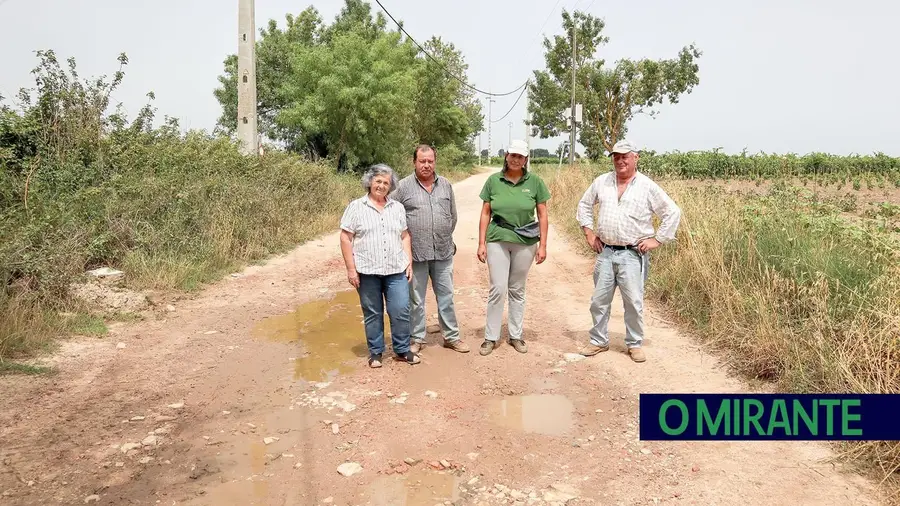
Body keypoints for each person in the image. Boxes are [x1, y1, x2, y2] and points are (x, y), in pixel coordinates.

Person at [575, 139, 682, 363]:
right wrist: (588, 232)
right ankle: (598, 340)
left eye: (625, 156)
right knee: (599, 300)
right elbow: (585, 205)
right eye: (616, 156)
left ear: (636, 158)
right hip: (605, 252)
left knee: (633, 301)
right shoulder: (602, 182)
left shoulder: (647, 186)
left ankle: (634, 343)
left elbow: (672, 212)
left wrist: (658, 240)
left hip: (632, 254)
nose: (620, 160)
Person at [339, 163, 420, 368]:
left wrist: (408, 261)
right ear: (369, 182)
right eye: (378, 181)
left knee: (401, 309)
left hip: (395, 269)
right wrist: (351, 269)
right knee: (373, 312)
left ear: (391, 186)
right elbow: (345, 238)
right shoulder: (356, 207)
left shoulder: (397, 207)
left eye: (386, 182)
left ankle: (402, 350)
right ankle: (376, 352)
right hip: (367, 271)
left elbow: (404, 236)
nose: (382, 186)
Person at [392, 144, 469, 354]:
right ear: (414, 162)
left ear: (435, 162)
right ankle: (417, 338)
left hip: (443, 251)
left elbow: (452, 217)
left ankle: (451, 337)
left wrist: (442, 233)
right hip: (415, 254)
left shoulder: (445, 185)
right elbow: (392, 216)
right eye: (422, 161)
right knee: (416, 299)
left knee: (446, 296)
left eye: (430, 161)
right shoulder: (403, 187)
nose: (426, 165)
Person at [476, 139, 550, 356]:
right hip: (497, 238)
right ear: (506, 156)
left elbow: (543, 214)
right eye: (512, 155)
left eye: (520, 156)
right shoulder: (493, 180)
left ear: (526, 159)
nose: (516, 160)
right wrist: (481, 242)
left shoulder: (535, 182)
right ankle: (491, 337)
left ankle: (516, 335)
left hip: (525, 242)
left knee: (517, 289)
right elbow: (485, 212)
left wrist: (543, 245)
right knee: (498, 288)